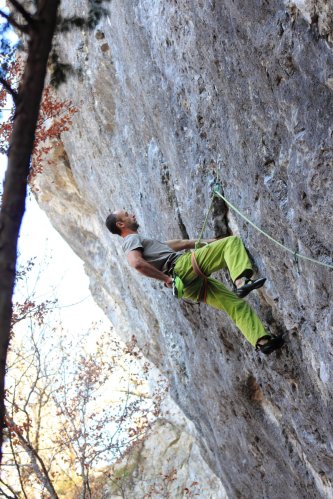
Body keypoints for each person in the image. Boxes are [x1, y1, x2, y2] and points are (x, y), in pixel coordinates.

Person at [105, 210, 284, 354]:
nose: (132, 215)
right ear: (121, 224)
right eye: (127, 215)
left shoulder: (151, 245)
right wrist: (168, 279)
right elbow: (136, 263)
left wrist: (213, 242)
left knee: (235, 305)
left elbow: (184, 243)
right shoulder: (131, 240)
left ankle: (262, 341)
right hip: (180, 269)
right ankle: (241, 281)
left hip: (188, 287)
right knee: (232, 243)